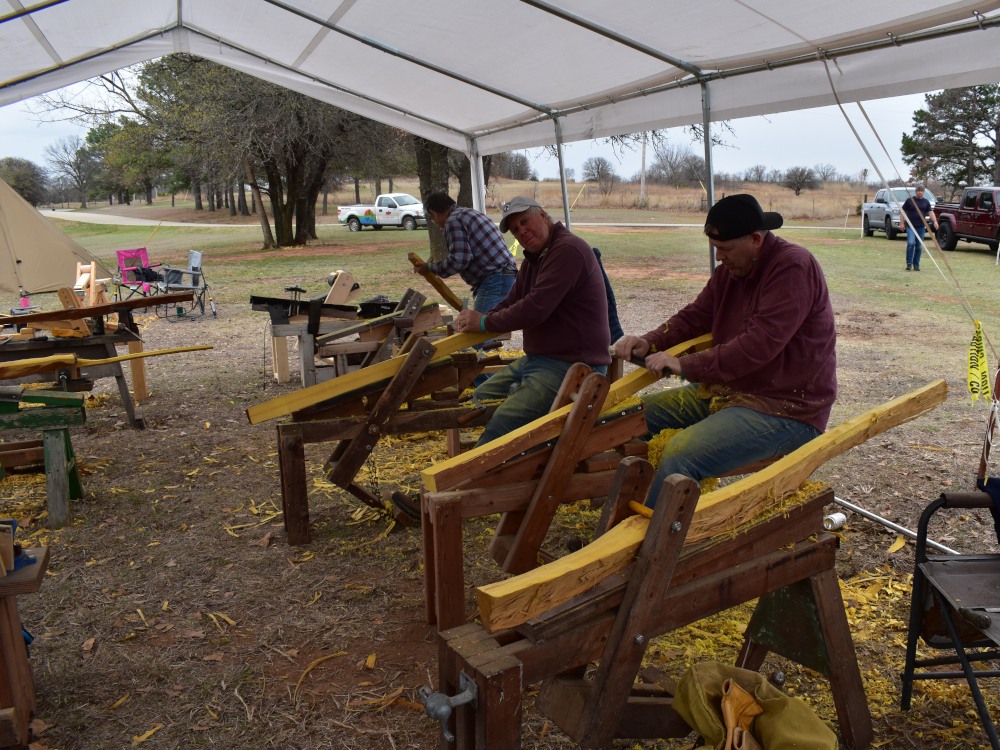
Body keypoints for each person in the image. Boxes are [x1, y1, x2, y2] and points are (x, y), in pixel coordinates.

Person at [614, 194, 837, 507]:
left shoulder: (793, 267)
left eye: (726, 249)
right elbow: (695, 316)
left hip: (787, 408)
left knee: (681, 453)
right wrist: (650, 341)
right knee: (629, 419)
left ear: (756, 239)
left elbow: (760, 345)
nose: (719, 257)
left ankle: (647, 546)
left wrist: (684, 364)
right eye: (716, 249)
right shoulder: (732, 272)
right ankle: (624, 514)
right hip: (730, 393)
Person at [453, 197, 611, 446]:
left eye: (525, 221)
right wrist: (479, 319)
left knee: (503, 421)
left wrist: (483, 323)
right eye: (515, 229)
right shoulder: (533, 259)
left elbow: (535, 308)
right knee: (482, 397)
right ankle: (515, 456)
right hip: (542, 359)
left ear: (544, 216)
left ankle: (476, 476)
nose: (521, 231)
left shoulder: (567, 250)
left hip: (575, 365)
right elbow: (512, 300)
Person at [413, 192, 517, 319]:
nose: (434, 221)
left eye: (432, 218)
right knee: (489, 327)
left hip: (494, 279)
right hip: (504, 275)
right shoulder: (470, 213)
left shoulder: (453, 221)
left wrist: (430, 268)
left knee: (477, 333)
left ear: (434, 213)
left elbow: (459, 261)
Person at [900, 186, 937, 272]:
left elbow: (931, 212)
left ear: (923, 192)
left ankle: (916, 265)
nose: (920, 192)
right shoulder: (910, 201)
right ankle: (909, 263)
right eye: (918, 191)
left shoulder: (926, 202)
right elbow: (903, 212)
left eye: (921, 191)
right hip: (911, 226)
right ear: (916, 192)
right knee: (911, 243)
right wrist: (902, 223)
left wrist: (935, 222)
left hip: (921, 227)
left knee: (919, 247)